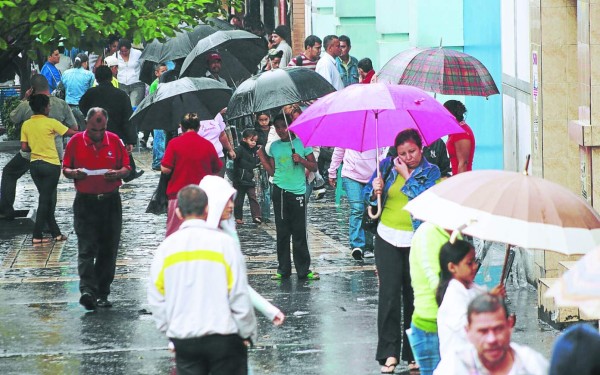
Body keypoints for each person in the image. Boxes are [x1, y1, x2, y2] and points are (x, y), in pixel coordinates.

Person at [148, 184, 257, 375]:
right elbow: (239, 293)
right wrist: (246, 332)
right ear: (207, 209)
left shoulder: (166, 249)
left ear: (179, 212)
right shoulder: (225, 244)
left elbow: (157, 296)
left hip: (185, 339)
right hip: (224, 337)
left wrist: (169, 329)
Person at [362, 129, 441, 373]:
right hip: (387, 237)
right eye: (402, 153)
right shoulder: (386, 165)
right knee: (389, 294)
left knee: (413, 295)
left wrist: (406, 175)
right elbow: (368, 197)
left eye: (412, 152)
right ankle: (388, 353)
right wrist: (374, 187)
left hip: (416, 239)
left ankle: (413, 353)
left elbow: (424, 201)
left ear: (422, 148)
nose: (407, 157)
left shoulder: (431, 171)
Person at [62, 107, 130, 310]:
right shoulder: (75, 142)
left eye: (102, 130)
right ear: (86, 124)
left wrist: (117, 173)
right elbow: (65, 168)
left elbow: (127, 168)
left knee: (108, 249)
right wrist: (74, 172)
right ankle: (87, 291)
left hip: (110, 202)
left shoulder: (115, 141)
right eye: (94, 130)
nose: (98, 135)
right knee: (86, 247)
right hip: (85, 202)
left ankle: (102, 292)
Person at [199, 175, 285, 326]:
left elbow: (236, 282)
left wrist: (269, 311)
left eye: (232, 200)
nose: (231, 205)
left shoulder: (228, 233)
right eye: (226, 202)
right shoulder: (200, 239)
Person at [0, 75, 77, 220]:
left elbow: (13, 118)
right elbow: (74, 127)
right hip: (54, 154)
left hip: (30, 153)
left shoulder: (26, 105)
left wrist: (24, 98)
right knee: (50, 188)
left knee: (10, 172)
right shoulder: (61, 104)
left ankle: (6, 210)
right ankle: (49, 220)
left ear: (32, 89)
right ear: (47, 86)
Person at [258, 114, 320, 281]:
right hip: (280, 191)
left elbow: (314, 166)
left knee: (299, 232)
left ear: (291, 127)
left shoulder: (303, 143)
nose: (281, 130)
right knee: (283, 232)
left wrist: (301, 160)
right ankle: (283, 269)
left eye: (283, 126)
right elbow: (272, 171)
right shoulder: (274, 147)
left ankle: (303, 270)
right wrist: (262, 158)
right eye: (277, 127)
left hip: (298, 192)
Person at [434, 294, 549, 375]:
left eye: (498, 329)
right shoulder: (453, 367)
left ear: (510, 325)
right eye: (483, 331)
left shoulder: (532, 365)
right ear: (467, 331)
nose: (491, 339)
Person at [20, 94, 78, 244]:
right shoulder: (51, 122)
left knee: (47, 199)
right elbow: (72, 132)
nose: (50, 108)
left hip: (34, 166)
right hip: (51, 165)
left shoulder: (26, 124)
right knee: (45, 201)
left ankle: (56, 234)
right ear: (45, 107)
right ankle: (37, 235)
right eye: (49, 106)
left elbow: (24, 147)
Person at [436, 240, 505, 359]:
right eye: (469, 263)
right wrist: (490, 300)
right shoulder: (453, 296)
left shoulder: (473, 288)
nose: (475, 266)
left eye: (474, 261)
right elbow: (469, 329)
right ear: (452, 267)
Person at [79, 66, 144, 182]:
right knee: (121, 156)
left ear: (97, 79)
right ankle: (128, 173)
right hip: (117, 134)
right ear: (111, 77)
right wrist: (130, 140)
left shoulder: (90, 94)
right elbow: (127, 119)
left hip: (97, 133)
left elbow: (83, 107)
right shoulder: (121, 95)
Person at [162, 113, 222, 236]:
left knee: (176, 233)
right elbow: (217, 167)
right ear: (199, 127)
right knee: (202, 233)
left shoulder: (174, 144)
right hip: (202, 195)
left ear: (181, 127)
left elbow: (166, 169)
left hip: (178, 194)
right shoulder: (207, 144)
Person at [406, 223, 455, 375]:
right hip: (430, 325)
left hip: (452, 323)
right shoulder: (427, 233)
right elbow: (435, 282)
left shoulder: (456, 232)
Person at [328, 147, 380, 260]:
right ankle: (357, 245)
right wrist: (332, 171)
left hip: (372, 176)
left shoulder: (377, 131)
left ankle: (368, 246)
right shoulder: (348, 131)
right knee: (357, 208)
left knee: (370, 209)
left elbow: (383, 154)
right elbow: (339, 150)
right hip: (351, 175)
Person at [233, 129, 261, 225]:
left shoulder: (256, 151)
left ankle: (256, 216)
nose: (253, 143)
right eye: (251, 140)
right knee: (239, 199)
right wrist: (232, 154)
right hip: (240, 179)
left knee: (253, 197)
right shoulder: (240, 149)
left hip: (251, 178)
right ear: (244, 139)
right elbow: (234, 155)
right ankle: (238, 217)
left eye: (255, 141)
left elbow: (257, 162)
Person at [61, 52, 95, 129]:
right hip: (82, 108)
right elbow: (90, 90)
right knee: (83, 131)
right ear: (85, 63)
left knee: (70, 131)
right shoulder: (89, 74)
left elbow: (62, 87)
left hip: (68, 107)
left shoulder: (66, 73)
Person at [198, 110, 236, 178]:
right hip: (201, 160)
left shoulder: (216, 114)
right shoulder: (188, 118)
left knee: (218, 184)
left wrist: (230, 149)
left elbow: (222, 135)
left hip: (218, 157)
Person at [444, 100, 475, 175]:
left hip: (462, 180)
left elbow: (463, 163)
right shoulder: (456, 131)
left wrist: (459, 185)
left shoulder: (461, 133)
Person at [115, 38, 145, 107]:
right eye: (122, 51)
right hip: (121, 84)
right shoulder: (115, 55)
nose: (124, 53)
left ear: (130, 49)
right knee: (123, 106)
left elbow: (143, 66)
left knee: (134, 107)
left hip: (136, 84)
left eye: (126, 51)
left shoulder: (138, 54)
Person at [149, 63, 168, 171]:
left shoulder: (166, 83)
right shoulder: (155, 84)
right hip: (158, 114)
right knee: (159, 138)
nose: (165, 73)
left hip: (164, 114)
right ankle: (157, 161)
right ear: (157, 73)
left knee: (163, 138)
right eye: (163, 71)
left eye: (166, 70)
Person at [254, 112, 273, 223]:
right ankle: (265, 214)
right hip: (262, 162)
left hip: (274, 160)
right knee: (265, 188)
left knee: (271, 188)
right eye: (261, 120)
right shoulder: (256, 132)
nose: (264, 122)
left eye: (265, 119)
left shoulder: (274, 129)